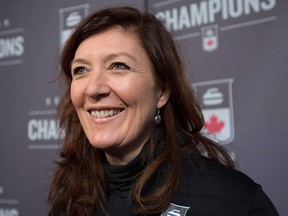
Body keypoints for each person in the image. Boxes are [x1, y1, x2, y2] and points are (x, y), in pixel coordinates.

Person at [48, 6, 279, 216]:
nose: (93, 88)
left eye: (119, 66)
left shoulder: (231, 200)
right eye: (81, 70)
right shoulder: (68, 201)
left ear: (162, 92)